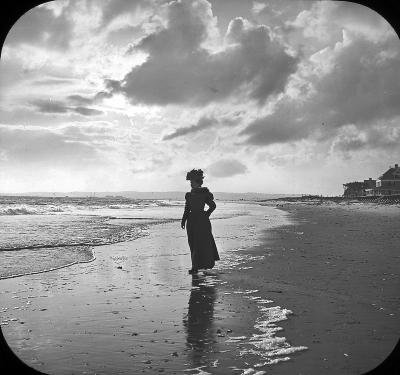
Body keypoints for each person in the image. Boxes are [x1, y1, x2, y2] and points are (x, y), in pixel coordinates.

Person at [181, 169, 220, 274]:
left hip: (201, 222)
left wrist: (206, 215)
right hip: (192, 222)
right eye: (190, 182)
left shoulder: (204, 194)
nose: (190, 184)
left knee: (201, 244)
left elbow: (213, 206)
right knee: (192, 243)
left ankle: (196, 267)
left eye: (192, 182)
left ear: (197, 181)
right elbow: (187, 209)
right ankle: (195, 266)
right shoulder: (189, 195)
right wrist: (183, 220)